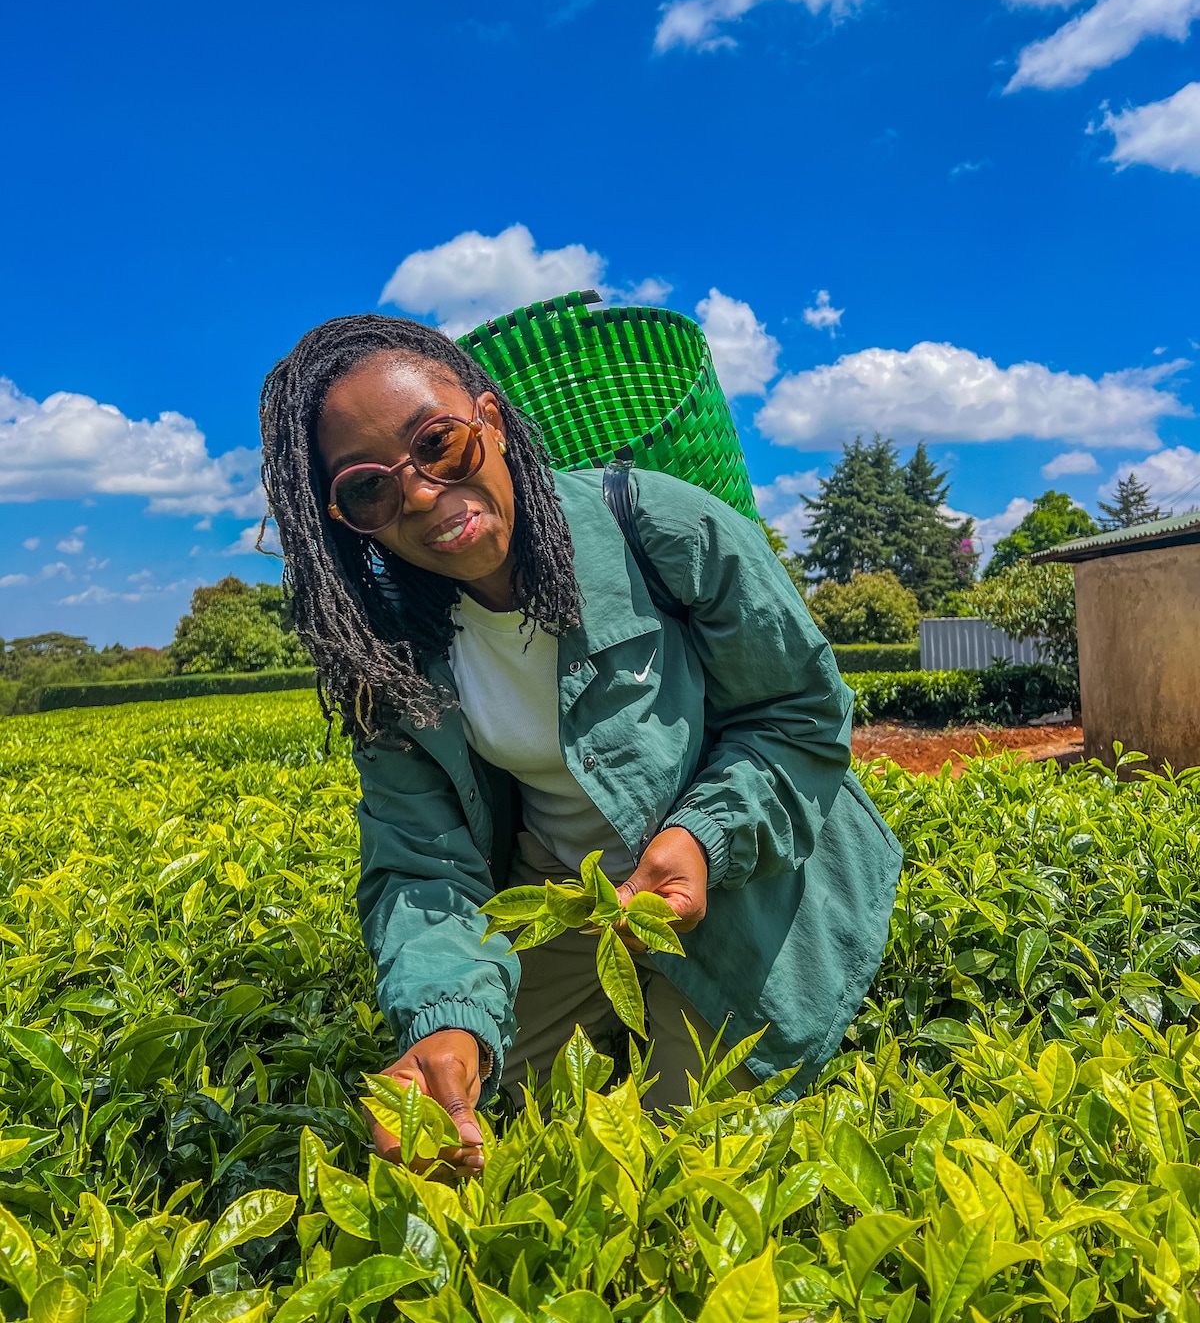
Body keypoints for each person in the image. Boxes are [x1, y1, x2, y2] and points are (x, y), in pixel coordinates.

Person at [260, 313, 902, 1174]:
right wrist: (448, 1017)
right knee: (456, 1118)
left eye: (439, 444)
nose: (418, 494)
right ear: (344, 520)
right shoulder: (391, 655)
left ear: (490, 420)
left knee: (679, 1154)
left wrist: (704, 836)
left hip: (733, 872)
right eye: (370, 487)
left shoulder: (662, 529)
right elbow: (422, 867)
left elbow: (797, 716)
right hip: (558, 892)